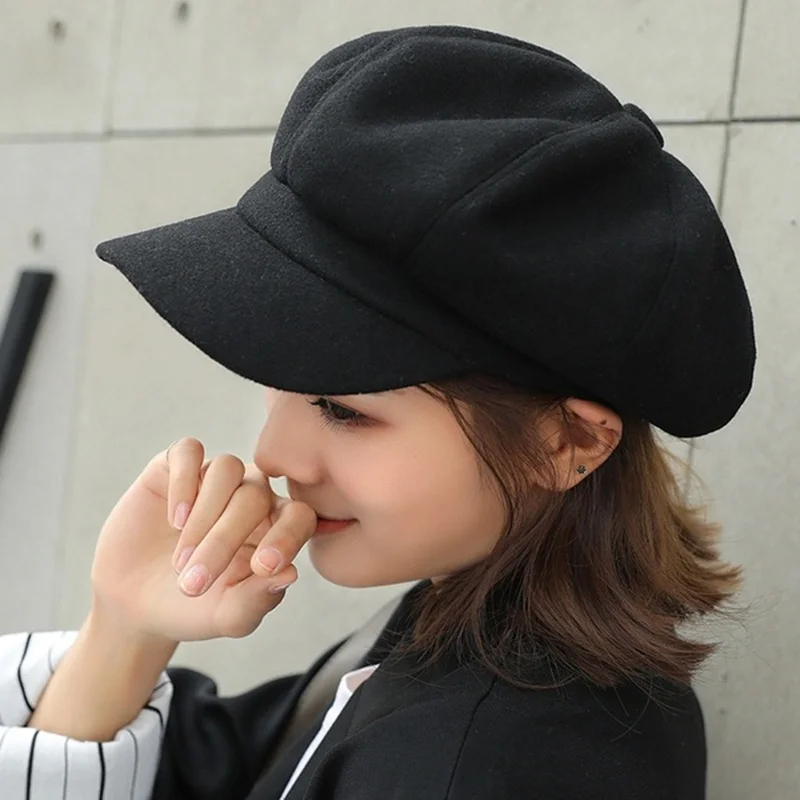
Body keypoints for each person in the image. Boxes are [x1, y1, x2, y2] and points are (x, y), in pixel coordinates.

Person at [0, 23, 755, 800]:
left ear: (567, 443)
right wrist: (125, 627)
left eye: (341, 408)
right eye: (281, 379)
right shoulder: (470, 635)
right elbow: (245, 764)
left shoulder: (475, 763)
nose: (273, 454)